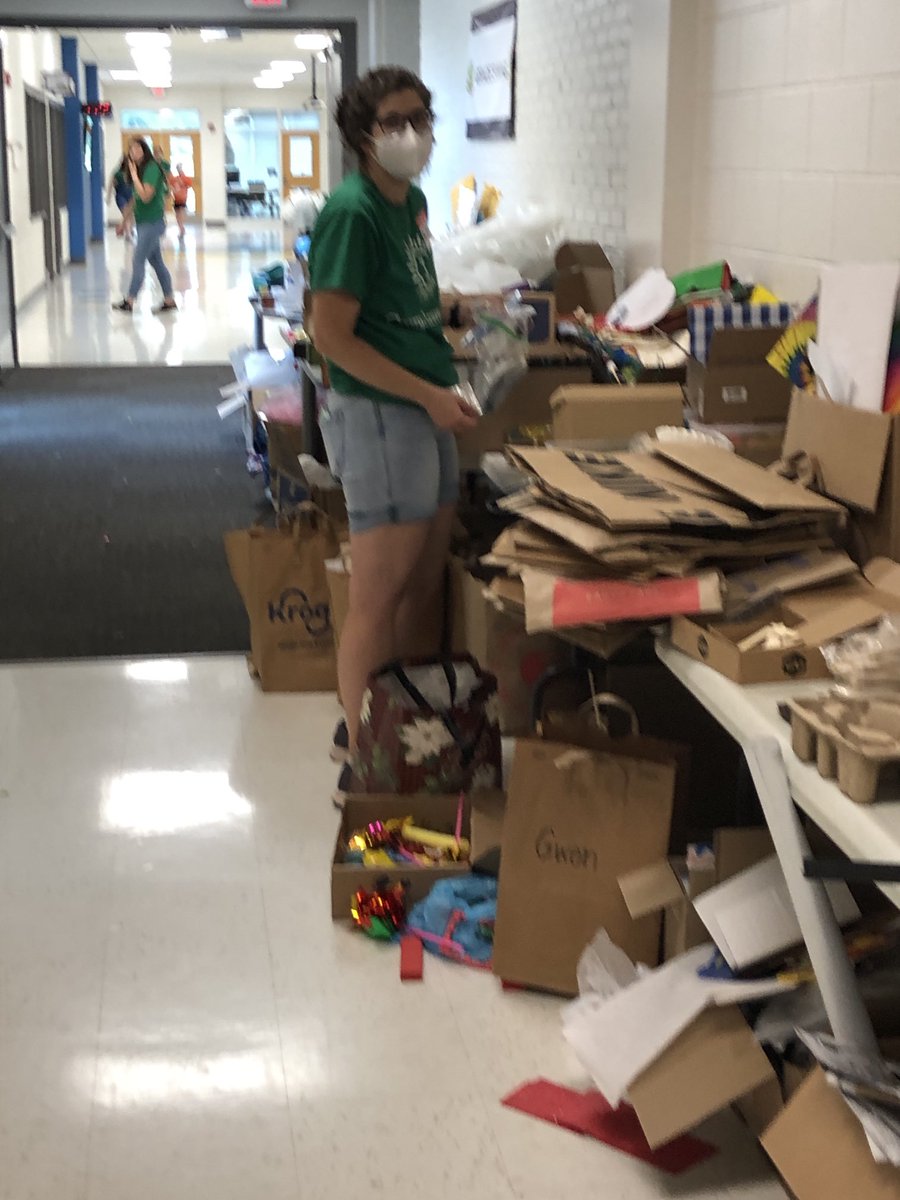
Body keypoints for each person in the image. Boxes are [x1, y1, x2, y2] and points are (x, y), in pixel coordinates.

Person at [308, 66, 479, 804]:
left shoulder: (406, 201)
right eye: (394, 122)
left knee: (424, 577)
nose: (412, 133)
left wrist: (443, 309)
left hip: (425, 403)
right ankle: (368, 764)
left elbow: (391, 297)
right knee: (379, 596)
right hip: (383, 413)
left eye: (421, 118)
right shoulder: (352, 212)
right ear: (363, 136)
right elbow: (331, 337)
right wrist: (426, 397)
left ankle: (402, 723)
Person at [112, 138, 177, 315]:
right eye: (131, 150)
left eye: (138, 149)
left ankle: (130, 301)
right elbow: (135, 199)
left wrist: (133, 175)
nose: (135, 152)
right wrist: (123, 221)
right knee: (157, 262)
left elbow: (146, 196)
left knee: (138, 260)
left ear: (144, 150)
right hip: (143, 223)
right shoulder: (140, 171)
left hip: (152, 223)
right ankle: (169, 300)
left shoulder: (151, 169)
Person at [106, 156, 134, 239]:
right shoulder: (117, 173)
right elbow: (111, 184)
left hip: (131, 195)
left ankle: (128, 228)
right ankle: (128, 233)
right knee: (125, 212)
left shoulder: (133, 172)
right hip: (121, 195)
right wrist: (108, 197)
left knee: (130, 215)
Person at [168, 163, 194, 240]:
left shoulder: (185, 179)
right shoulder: (174, 179)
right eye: (178, 168)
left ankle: (182, 228)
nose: (179, 170)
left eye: (180, 168)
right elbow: (170, 184)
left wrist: (181, 182)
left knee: (181, 214)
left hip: (182, 200)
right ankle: (181, 228)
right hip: (176, 200)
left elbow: (189, 184)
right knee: (177, 216)